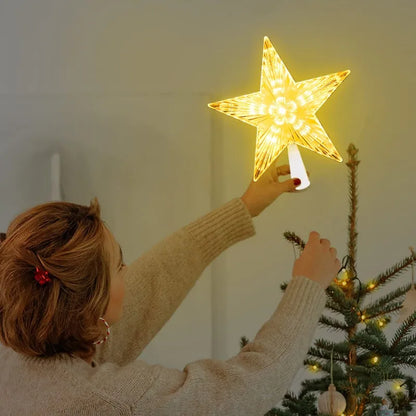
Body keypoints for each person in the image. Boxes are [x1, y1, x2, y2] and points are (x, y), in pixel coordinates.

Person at [0, 164, 340, 415]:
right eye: (119, 266)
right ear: (90, 305)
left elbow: (152, 281)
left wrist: (245, 206)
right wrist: (306, 289)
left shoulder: (20, 353)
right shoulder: (110, 400)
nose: (128, 273)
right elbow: (244, 389)